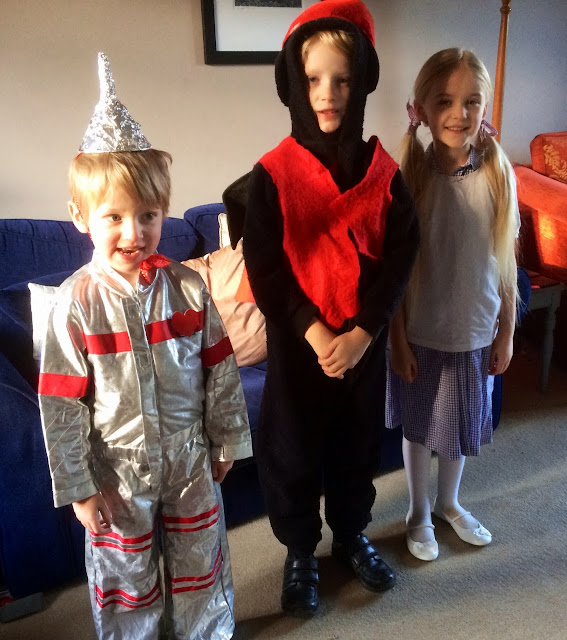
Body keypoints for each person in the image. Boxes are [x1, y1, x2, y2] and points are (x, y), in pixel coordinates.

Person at [38, 53, 252, 640]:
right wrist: (78, 485)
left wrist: (226, 435)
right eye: (115, 217)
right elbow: (60, 406)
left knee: (199, 563)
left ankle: (205, 632)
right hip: (116, 471)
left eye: (148, 216)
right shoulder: (74, 304)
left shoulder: (186, 288)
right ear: (80, 216)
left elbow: (219, 367)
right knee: (126, 574)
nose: (133, 233)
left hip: (188, 459)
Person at [224, 0, 419, 617]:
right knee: (295, 450)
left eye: (341, 79)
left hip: (362, 349)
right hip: (300, 349)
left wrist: (363, 334)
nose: (328, 93)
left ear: (361, 81)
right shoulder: (273, 177)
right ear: (292, 81)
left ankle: (352, 534)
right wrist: (315, 333)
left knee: (356, 447)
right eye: (313, 79)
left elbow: (399, 258)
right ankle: (301, 551)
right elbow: (267, 267)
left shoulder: (385, 175)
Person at [387, 48, 519, 562]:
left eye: (470, 102)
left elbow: (505, 261)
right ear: (419, 107)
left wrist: (507, 330)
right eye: (445, 100)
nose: (459, 114)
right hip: (421, 329)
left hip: (476, 329)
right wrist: (396, 338)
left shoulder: (497, 175)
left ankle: (448, 502)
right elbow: (392, 273)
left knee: (460, 426)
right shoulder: (408, 177)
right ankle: (418, 510)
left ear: (484, 109)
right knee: (420, 430)